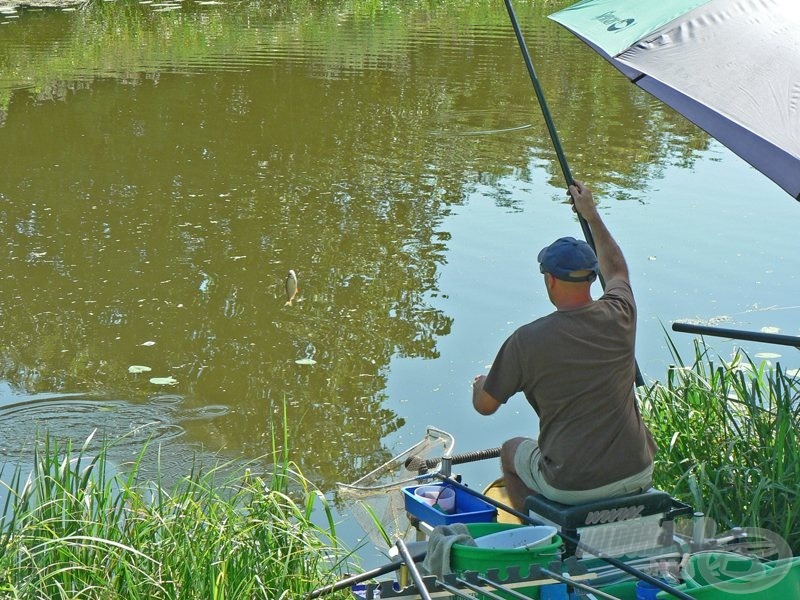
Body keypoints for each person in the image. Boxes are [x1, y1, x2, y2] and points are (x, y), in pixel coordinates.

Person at [472, 180, 657, 511]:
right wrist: (591, 214)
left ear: (550, 279)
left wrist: (480, 385)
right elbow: (617, 269)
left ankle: (539, 535)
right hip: (638, 470)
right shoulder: (621, 312)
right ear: (590, 278)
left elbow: (485, 406)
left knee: (511, 450)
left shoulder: (527, 341)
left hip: (573, 485)